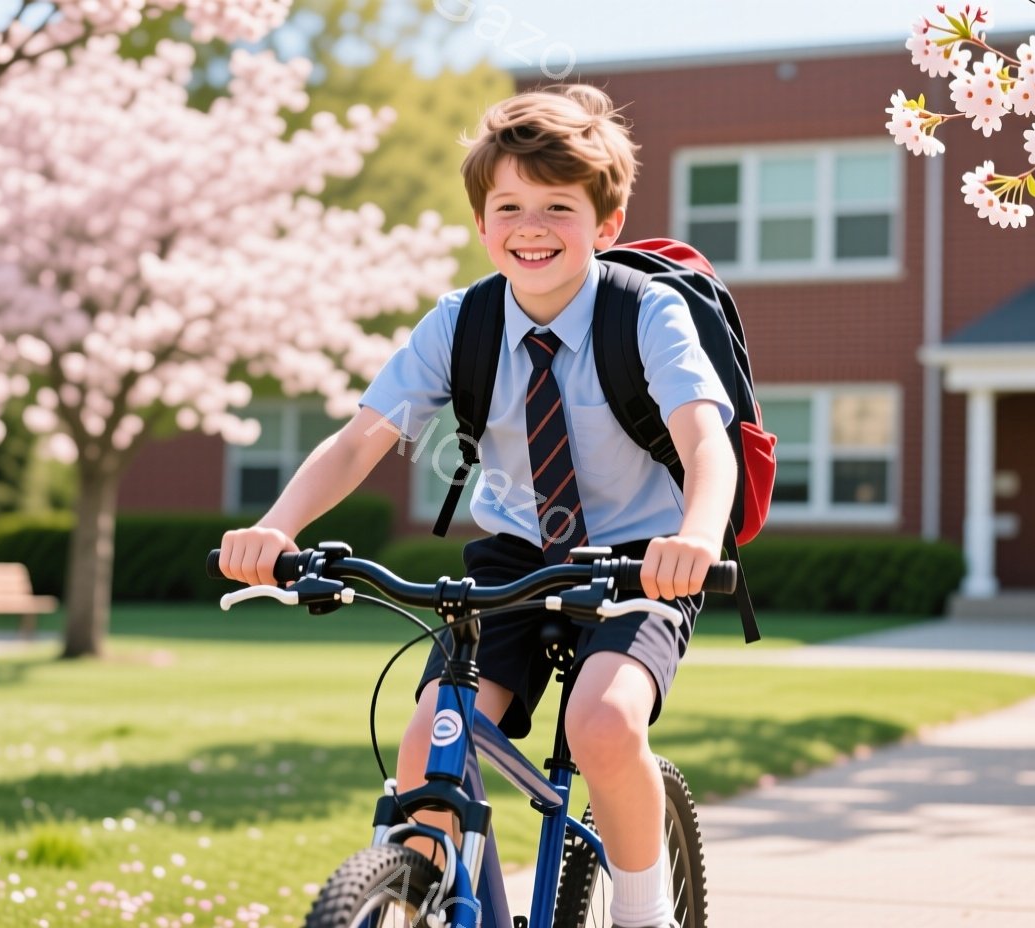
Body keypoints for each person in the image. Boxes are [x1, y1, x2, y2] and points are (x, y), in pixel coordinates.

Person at [219, 84, 734, 928]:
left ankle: (644, 914)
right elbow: (358, 441)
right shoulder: (461, 323)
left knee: (604, 723)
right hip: (516, 558)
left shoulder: (646, 312)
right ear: (482, 223)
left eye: (559, 207)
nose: (533, 226)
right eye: (510, 207)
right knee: (429, 745)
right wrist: (278, 527)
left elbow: (705, 440)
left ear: (605, 226)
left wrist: (697, 538)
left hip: (641, 559)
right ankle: (426, 901)